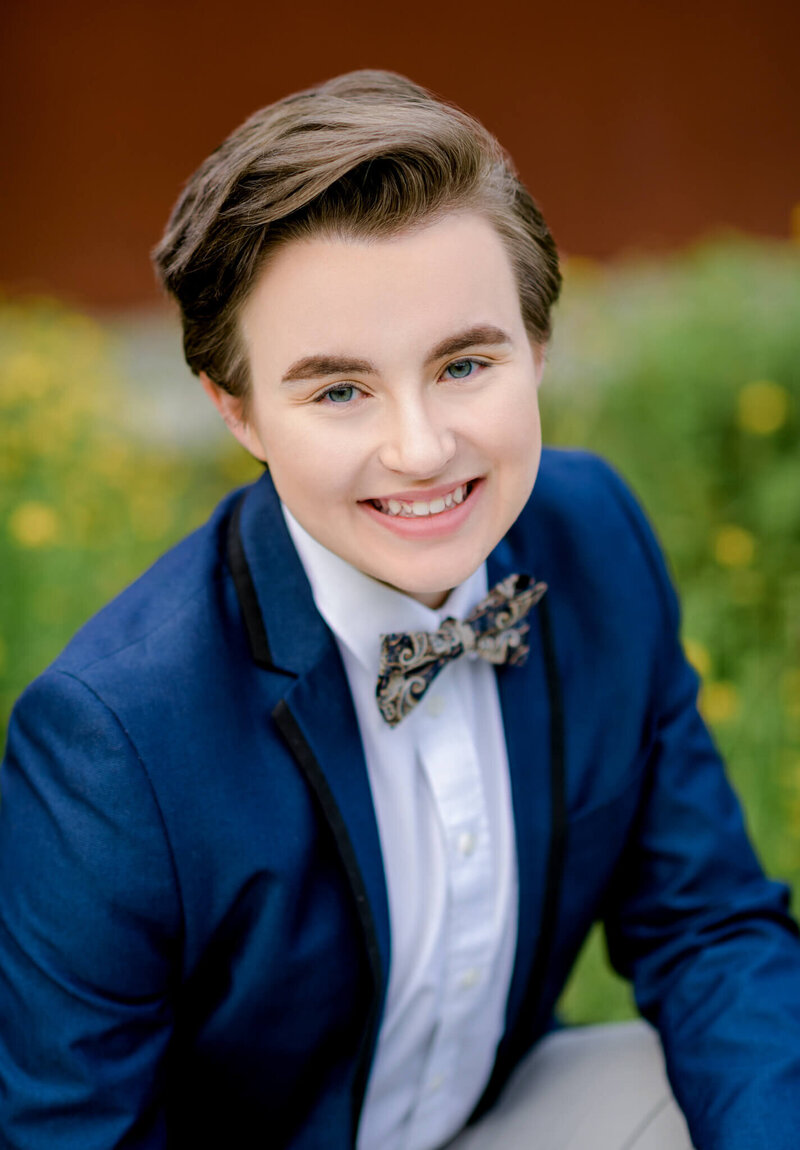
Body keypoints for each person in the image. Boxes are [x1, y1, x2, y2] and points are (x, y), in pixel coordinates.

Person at [0, 69, 798, 1150]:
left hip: (495, 1115)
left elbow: (707, 928)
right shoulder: (113, 741)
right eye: (338, 390)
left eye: (464, 363)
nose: (420, 449)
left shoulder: (596, 538)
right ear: (234, 410)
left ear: (537, 347)